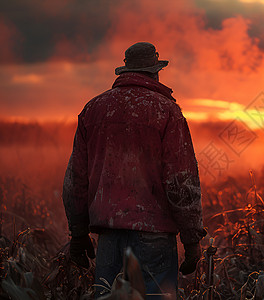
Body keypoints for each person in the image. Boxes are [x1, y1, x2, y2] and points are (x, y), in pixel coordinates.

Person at [62, 42, 206, 299]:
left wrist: (78, 234)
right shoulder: (168, 112)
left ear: (125, 70)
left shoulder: (92, 110)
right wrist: (192, 239)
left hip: (108, 235)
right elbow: (180, 183)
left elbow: (76, 180)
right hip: (155, 237)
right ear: (155, 71)